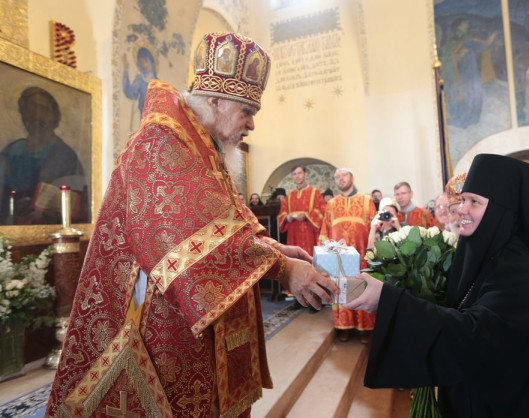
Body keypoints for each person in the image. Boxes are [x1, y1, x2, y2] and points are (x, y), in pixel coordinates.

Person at [46, 32, 338, 418]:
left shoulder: (201, 145)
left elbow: (228, 216)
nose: (252, 124)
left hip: (191, 321)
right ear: (215, 101)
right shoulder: (160, 142)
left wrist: (274, 248)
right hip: (160, 321)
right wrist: (282, 269)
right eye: (247, 111)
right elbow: (184, 234)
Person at [346, 154, 529, 417]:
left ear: (503, 210)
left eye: (474, 202)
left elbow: (477, 336)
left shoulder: (520, 268)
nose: (461, 209)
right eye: (462, 199)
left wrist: (389, 300)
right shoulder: (479, 253)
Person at [0, 86, 86, 225]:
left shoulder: (65, 156)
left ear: (54, 117)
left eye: (43, 108)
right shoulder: (12, 151)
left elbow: (74, 205)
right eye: (31, 108)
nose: (36, 114)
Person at [319, 167, 377, 344]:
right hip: (340, 258)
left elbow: (374, 229)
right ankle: (345, 326)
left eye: (344, 175)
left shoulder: (366, 200)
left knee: (361, 288)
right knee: (342, 289)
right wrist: (326, 252)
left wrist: (373, 253)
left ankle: (365, 328)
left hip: (362, 257)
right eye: (337, 176)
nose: (341, 178)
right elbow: (324, 231)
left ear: (352, 177)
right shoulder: (331, 204)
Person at [277, 165, 326, 257]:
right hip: (293, 233)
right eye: (294, 174)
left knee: (309, 258)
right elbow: (282, 213)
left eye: (299, 173)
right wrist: (287, 218)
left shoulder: (314, 192)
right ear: (292, 177)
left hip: (309, 232)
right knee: (296, 260)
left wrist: (307, 216)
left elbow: (322, 210)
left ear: (305, 174)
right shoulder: (290, 195)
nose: (297, 176)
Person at [123, 46, 157, 119]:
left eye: (146, 61)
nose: (144, 65)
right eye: (142, 63)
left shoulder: (159, 83)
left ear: (151, 61)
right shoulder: (140, 80)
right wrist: (126, 70)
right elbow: (130, 93)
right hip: (144, 119)